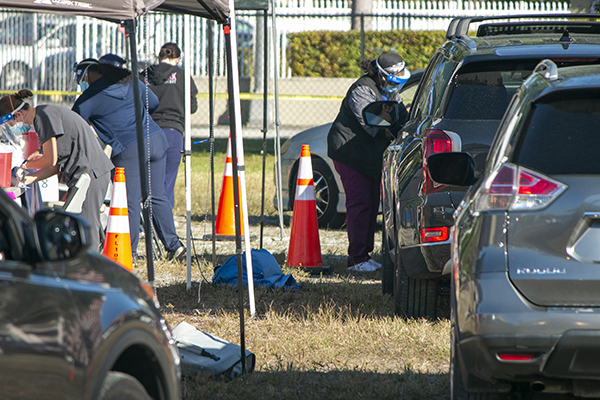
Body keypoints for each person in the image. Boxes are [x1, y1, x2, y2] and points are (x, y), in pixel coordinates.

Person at [71, 60, 186, 261]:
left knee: (129, 201)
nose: (80, 83)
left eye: (80, 79)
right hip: (156, 139)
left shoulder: (89, 97)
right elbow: (154, 102)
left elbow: (75, 125)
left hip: (128, 148)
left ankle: (128, 252)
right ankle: (174, 245)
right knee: (157, 195)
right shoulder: (129, 82)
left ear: (87, 75)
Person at [0, 90, 114, 251]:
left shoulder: (43, 117)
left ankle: (89, 269)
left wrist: (25, 165)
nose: (15, 129)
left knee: (85, 225)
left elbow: (50, 160)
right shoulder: (45, 114)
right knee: (80, 223)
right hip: (87, 172)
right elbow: (54, 167)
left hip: (91, 173)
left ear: (18, 115)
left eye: (11, 125)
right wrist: (27, 180)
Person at [327, 53, 410, 272]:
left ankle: (365, 254)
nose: (398, 81)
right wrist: (396, 129)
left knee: (372, 204)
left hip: (369, 156)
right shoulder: (362, 90)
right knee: (360, 203)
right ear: (382, 76)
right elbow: (373, 125)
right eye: (394, 76)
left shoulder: (391, 92)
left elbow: (400, 117)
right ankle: (355, 259)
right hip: (350, 153)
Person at [140, 42, 198, 209]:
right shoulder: (183, 76)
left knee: (146, 180)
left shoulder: (143, 75)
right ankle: (162, 225)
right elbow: (192, 107)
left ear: (159, 57)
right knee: (166, 181)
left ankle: (144, 221)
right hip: (173, 132)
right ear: (178, 59)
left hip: (148, 131)